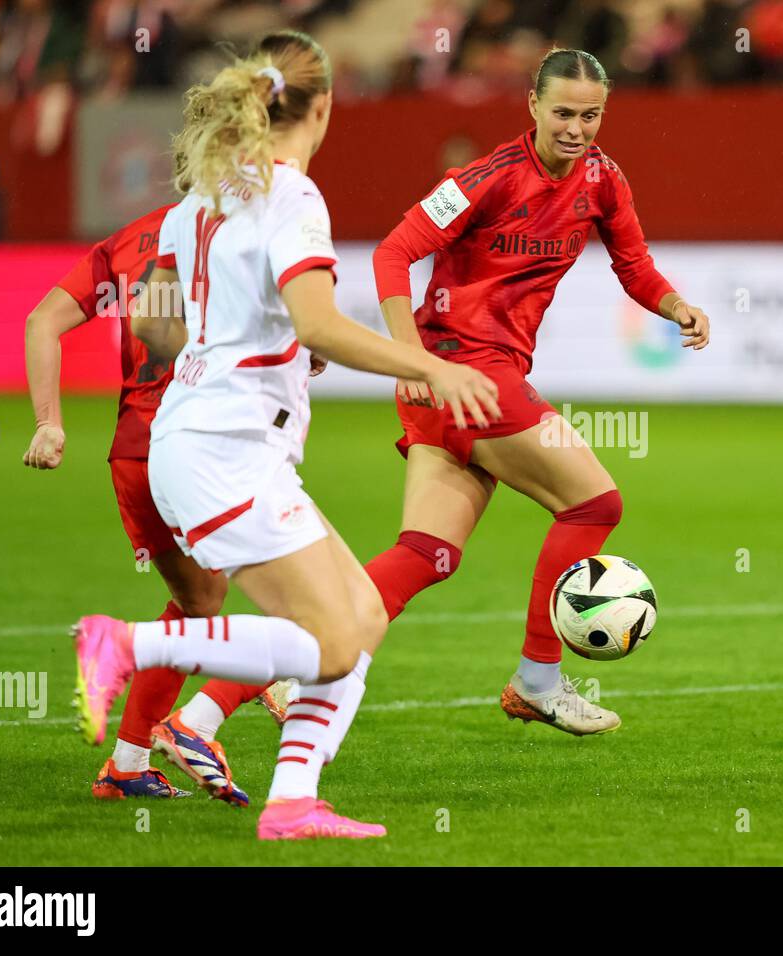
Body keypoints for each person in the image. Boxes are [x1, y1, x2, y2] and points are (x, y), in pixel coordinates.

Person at [71, 30, 500, 840]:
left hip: (206, 438)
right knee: (332, 645)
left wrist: (247, 342)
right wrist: (430, 367)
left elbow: (154, 332)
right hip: (225, 450)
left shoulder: (198, 198)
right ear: (326, 106)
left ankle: (292, 804)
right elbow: (320, 322)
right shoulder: (293, 196)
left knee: (363, 615)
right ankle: (126, 644)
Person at [364, 48, 710, 736]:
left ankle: (298, 664)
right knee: (594, 502)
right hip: (463, 372)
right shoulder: (485, 176)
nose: (578, 128)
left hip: (473, 379)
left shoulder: (604, 181)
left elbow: (634, 265)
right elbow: (392, 253)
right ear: (532, 105)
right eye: (563, 113)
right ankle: (539, 679)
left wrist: (674, 307)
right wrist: (409, 359)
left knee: (428, 554)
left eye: (591, 114)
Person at [24, 198, 288, 806]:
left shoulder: (128, 240)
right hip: (202, 443)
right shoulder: (239, 228)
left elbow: (42, 320)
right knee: (312, 596)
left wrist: (49, 423)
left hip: (136, 452)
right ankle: (244, 684)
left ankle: (128, 764)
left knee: (200, 599)